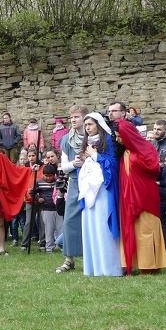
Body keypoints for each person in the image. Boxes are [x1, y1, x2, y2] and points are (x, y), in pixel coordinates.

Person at [114, 119, 166, 275]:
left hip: (145, 196)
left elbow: (154, 168)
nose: (118, 139)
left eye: (120, 136)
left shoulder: (145, 148)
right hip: (128, 196)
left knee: (147, 229)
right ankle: (134, 262)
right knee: (134, 229)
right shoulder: (124, 152)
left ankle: (151, 264)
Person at [78, 112, 122, 277]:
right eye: (86, 125)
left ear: (98, 124)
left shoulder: (109, 141)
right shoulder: (86, 143)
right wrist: (80, 163)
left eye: (90, 124)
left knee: (103, 226)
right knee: (91, 226)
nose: (87, 128)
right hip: (89, 189)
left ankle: (110, 267)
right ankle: (94, 267)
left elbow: (113, 164)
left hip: (103, 190)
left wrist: (95, 156)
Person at [56, 105, 89, 274]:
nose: (73, 120)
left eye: (76, 117)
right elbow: (63, 166)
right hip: (75, 182)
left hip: (93, 183)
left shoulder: (94, 138)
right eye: (71, 118)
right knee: (70, 221)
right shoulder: (66, 140)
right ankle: (69, 260)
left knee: (93, 220)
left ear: (85, 118)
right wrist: (73, 164)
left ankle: (94, 257)